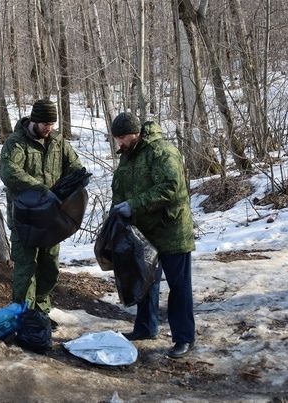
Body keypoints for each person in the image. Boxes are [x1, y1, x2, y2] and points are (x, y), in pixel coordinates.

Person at [109, 112, 196, 358]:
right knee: (145, 280)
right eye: (117, 139)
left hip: (171, 230)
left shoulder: (162, 152)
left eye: (123, 138)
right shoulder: (128, 156)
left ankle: (185, 338)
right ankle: (146, 327)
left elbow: (171, 188)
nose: (120, 143)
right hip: (144, 231)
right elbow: (120, 188)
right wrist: (117, 212)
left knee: (179, 287)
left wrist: (134, 205)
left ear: (135, 134)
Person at [0, 99, 84, 327]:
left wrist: (75, 180)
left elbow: (74, 164)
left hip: (51, 219)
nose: (49, 128)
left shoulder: (58, 142)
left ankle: (41, 311)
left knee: (49, 267)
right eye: (45, 123)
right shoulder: (16, 143)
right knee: (26, 268)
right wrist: (40, 188)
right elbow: (8, 172)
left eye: (52, 123)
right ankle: (25, 315)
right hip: (24, 218)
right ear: (34, 120)